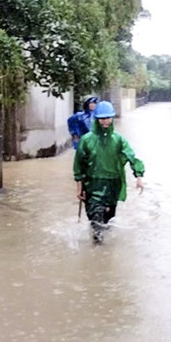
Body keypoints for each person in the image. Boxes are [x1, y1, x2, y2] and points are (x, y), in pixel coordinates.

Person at [73, 100, 144, 244]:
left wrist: (138, 176)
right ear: (96, 119)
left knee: (108, 220)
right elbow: (79, 164)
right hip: (93, 185)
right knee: (96, 219)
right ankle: (97, 249)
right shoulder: (87, 140)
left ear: (112, 118)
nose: (105, 121)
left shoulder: (118, 140)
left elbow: (131, 156)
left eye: (108, 118)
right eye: (102, 118)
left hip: (113, 185)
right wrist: (79, 186)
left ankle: (103, 249)